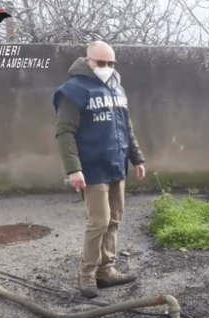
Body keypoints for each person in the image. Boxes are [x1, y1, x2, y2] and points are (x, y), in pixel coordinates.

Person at [53, 41, 146, 299]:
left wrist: (137, 158)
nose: (106, 68)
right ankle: (87, 274)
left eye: (110, 63)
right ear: (88, 61)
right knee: (99, 221)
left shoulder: (117, 88)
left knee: (115, 219)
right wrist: (73, 169)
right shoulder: (72, 91)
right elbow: (64, 132)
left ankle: (107, 269)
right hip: (91, 169)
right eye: (100, 63)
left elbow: (126, 127)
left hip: (116, 164)